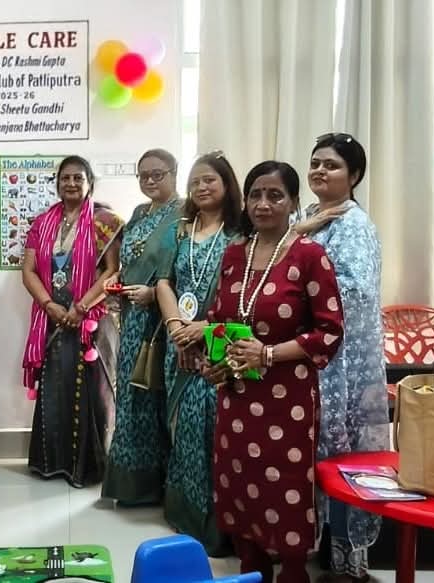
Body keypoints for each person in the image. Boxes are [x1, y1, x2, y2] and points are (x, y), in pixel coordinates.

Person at [205, 161, 345, 583]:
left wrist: (267, 355)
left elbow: (330, 331)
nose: (263, 204)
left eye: (275, 195)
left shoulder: (309, 256)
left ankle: (294, 572)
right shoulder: (235, 254)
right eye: (255, 195)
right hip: (236, 395)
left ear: (293, 202)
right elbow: (218, 319)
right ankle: (251, 569)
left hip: (288, 399)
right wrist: (214, 361)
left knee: (285, 488)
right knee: (238, 481)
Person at [292, 133, 387, 583]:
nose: (319, 171)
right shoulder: (309, 216)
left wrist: (297, 300)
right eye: (315, 163)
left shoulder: (353, 224)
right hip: (306, 353)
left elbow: (356, 291)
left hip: (340, 360)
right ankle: (315, 543)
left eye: (330, 165)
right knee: (311, 447)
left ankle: (347, 559)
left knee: (340, 450)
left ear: (354, 175)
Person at [154, 152, 243, 554]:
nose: (201, 187)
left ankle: (217, 526)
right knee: (183, 428)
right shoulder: (180, 231)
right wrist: (177, 328)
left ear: (227, 185)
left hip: (219, 345)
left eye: (210, 180)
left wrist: (204, 330)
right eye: (195, 181)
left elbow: (246, 297)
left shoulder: (240, 235)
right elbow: (163, 282)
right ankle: (185, 514)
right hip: (179, 344)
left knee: (213, 431)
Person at [22, 155, 124, 488]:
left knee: (91, 390)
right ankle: (52, 463)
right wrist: (49, 304)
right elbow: (28, 271)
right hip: (52, 317)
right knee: (55, 387)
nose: (71, 183)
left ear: (89, 183)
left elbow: (112, 270)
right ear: (57, 183)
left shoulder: (105, 221)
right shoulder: (42, 223)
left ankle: (88, 468)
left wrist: (81, 307)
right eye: (65, 178)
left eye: (78, 178)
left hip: (90, 318)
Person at [102, 148, 185, 505]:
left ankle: (155, 483)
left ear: (174, 173)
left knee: (155, 397)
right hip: (133, 319)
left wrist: (154, 294)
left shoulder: (185, 213)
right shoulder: (138, 213)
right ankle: (130, 483)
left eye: (157, 174)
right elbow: (130, 261)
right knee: (132, 395)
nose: (150, 181)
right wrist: (117, 282)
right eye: (144, 175)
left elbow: (190, 268)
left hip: (164, 321)